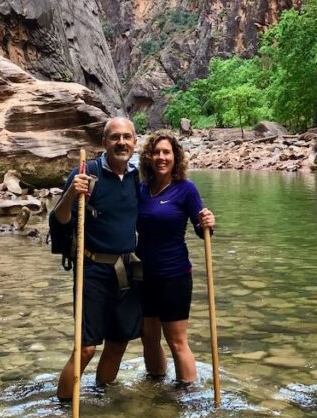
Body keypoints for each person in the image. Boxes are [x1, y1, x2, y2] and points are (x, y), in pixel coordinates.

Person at [54, 117, 141, 400]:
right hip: (92, 269)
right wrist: (71, 193)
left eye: (127, 137)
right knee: (87, 347)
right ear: (104, 142)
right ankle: (63, 407)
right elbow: (59, 219)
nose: (121, 142)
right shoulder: (85, 174)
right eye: (115, 137)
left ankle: (102, 396)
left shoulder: (136, 177)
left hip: (128, 271)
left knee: (119, 342)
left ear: (135, 143)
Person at [137, 130, 215, 385]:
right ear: (148, 157)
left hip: (174, 275)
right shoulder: (140, 190)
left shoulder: (185, 189)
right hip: (143, 276)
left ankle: (189, 395)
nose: (161, 157)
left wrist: (208, 223)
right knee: (148, 336)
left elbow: (200, 229)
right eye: (156, 152)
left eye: (166, 153)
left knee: (177, 340)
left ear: (175, 157)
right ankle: (156, 382)